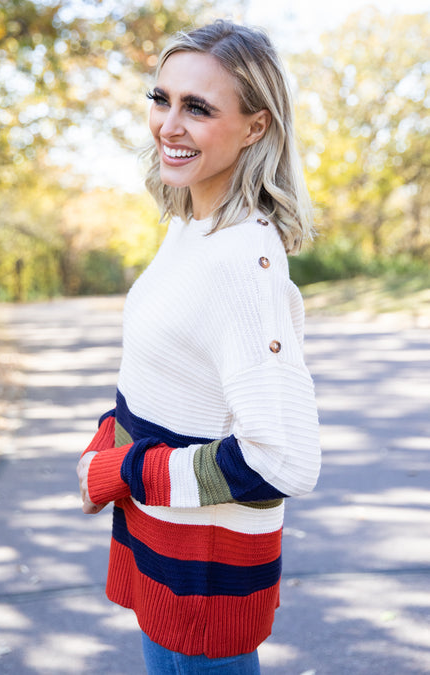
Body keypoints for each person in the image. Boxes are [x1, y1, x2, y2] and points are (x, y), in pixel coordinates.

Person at [77, 19, 321, 675]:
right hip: (162, 546)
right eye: (162, 99)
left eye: (198, 108)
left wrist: (124, 471)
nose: (168, 124)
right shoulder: (193, 222)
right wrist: (110, 434)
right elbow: (175, 375)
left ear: (255, 127)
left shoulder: (245, 258)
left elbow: (283, 461)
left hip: (203, 577)